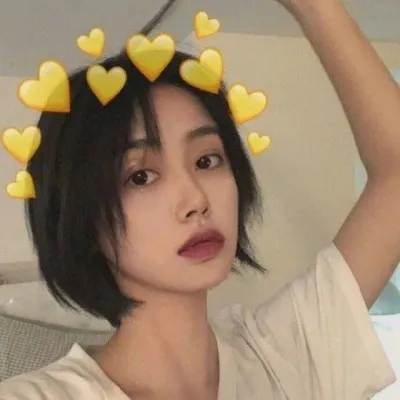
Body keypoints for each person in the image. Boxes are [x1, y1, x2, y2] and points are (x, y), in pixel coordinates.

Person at [1, 0, 400, 398]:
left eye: (207, 160)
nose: (196, 199)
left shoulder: (283, 359)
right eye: (141, 176)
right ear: (81, 218)